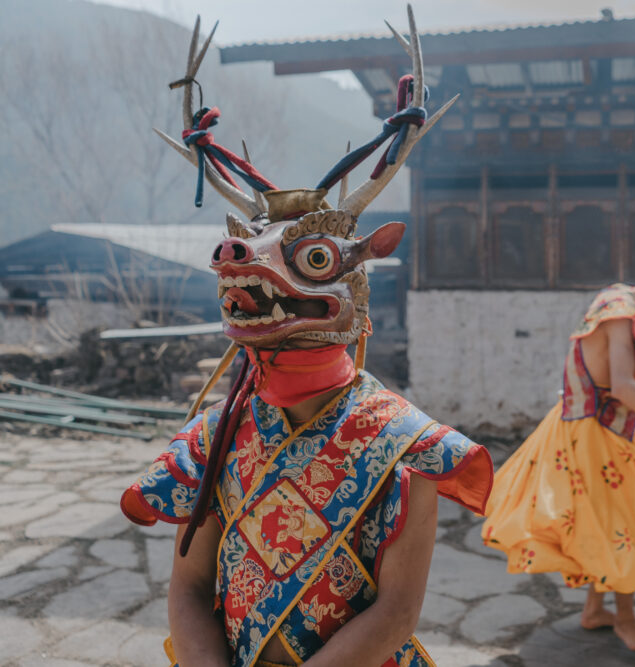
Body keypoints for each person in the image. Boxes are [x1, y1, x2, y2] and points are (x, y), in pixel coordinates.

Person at [120, 9, 493, 667]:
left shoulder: (408, 446)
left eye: (314, 260)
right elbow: (190, 585)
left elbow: (397, 612)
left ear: (352, 283)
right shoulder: (215, 438)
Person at [481, 277, 635, 652]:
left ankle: (595, 610)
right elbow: (624, 387)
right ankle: (625, 620)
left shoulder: (621, 299)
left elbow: (614, 381)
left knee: (604, 520)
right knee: (624, 523)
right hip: (594, 430)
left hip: (597, 423)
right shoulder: (622, 314)